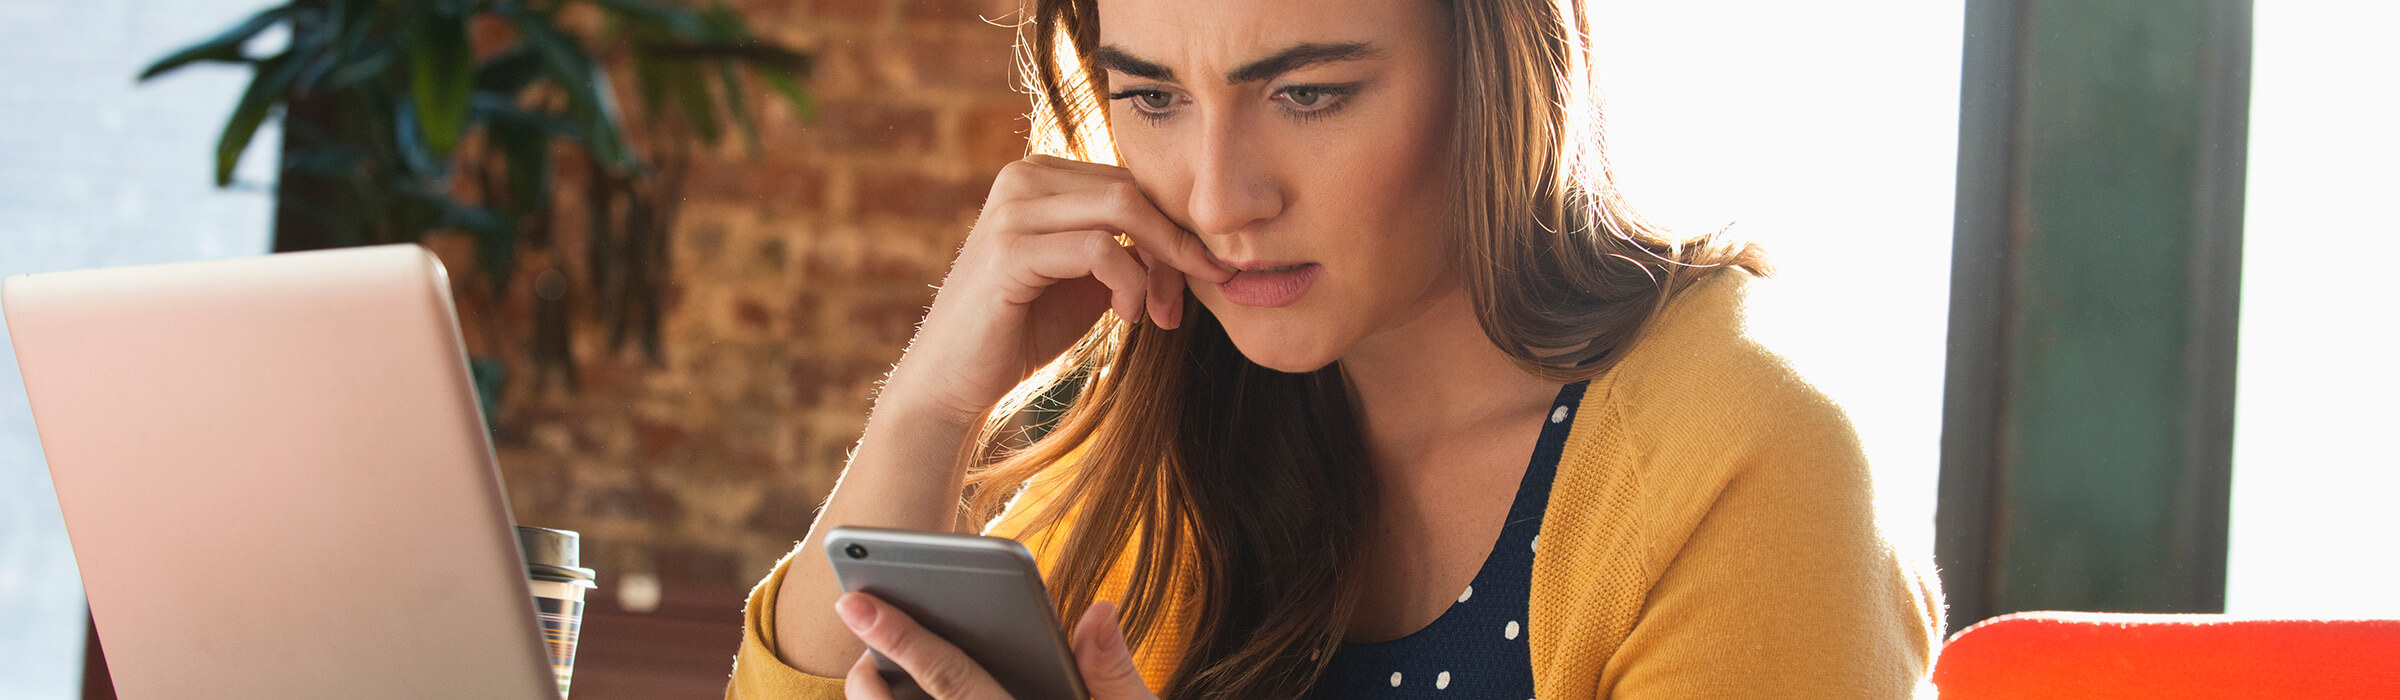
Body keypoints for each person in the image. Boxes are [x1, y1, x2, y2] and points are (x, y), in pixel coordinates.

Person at [727, 0, 1944, 697]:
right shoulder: (1172, 449)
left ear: (1491, 66)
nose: (1217, 195)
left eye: (1306, 94)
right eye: (1152, 97)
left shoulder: (1750, 460)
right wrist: (931, 406)